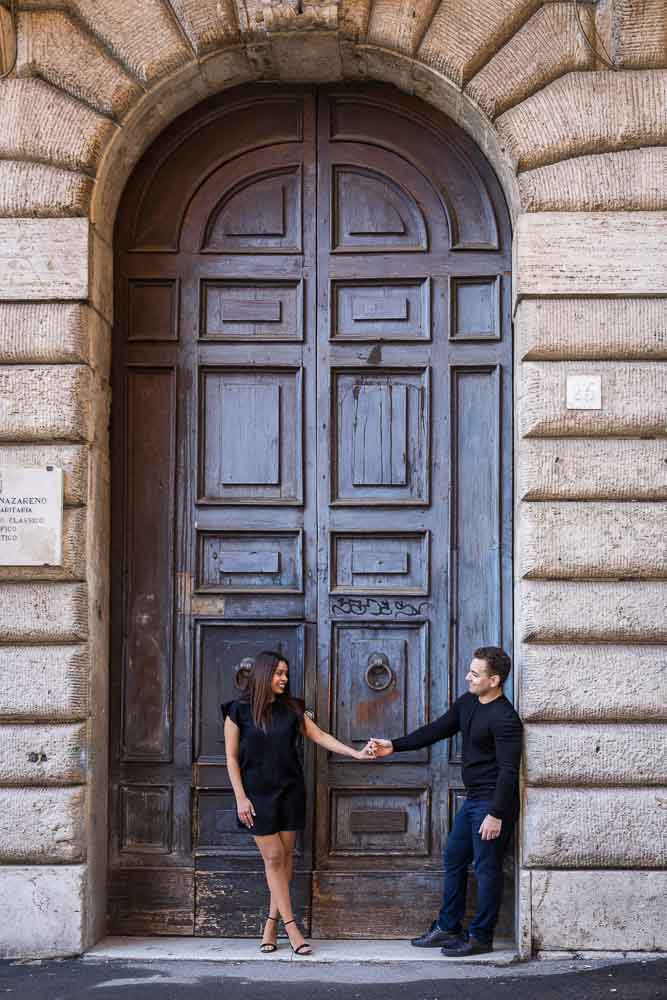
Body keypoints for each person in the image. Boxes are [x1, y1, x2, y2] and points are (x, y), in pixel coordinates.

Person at [370, 646, 522, 956]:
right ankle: (448, 926)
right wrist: (394, 746)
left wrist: (496, 814)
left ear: (494, 680)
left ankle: (480, 936)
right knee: (454, 856)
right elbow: (436, 730)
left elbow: (509, 771)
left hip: (492, 803)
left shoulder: (505, 718)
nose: (468, 676)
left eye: (475, 674)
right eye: (470, 670)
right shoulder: (468, 703)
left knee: (486, 867)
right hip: (474, 800)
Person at [223, 650, 375, 956]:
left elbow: (321, 736)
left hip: (290, 791)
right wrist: (240, 797)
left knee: (285, 861)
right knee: (274, 857)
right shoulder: (237, 711)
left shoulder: (293, 709)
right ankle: (292, 927)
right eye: (279, 673)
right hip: (256, 797)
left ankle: (270, 924)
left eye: (286, 674)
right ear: (264, 674)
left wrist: (356, 753)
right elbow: (231, 757)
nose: (284, 679)